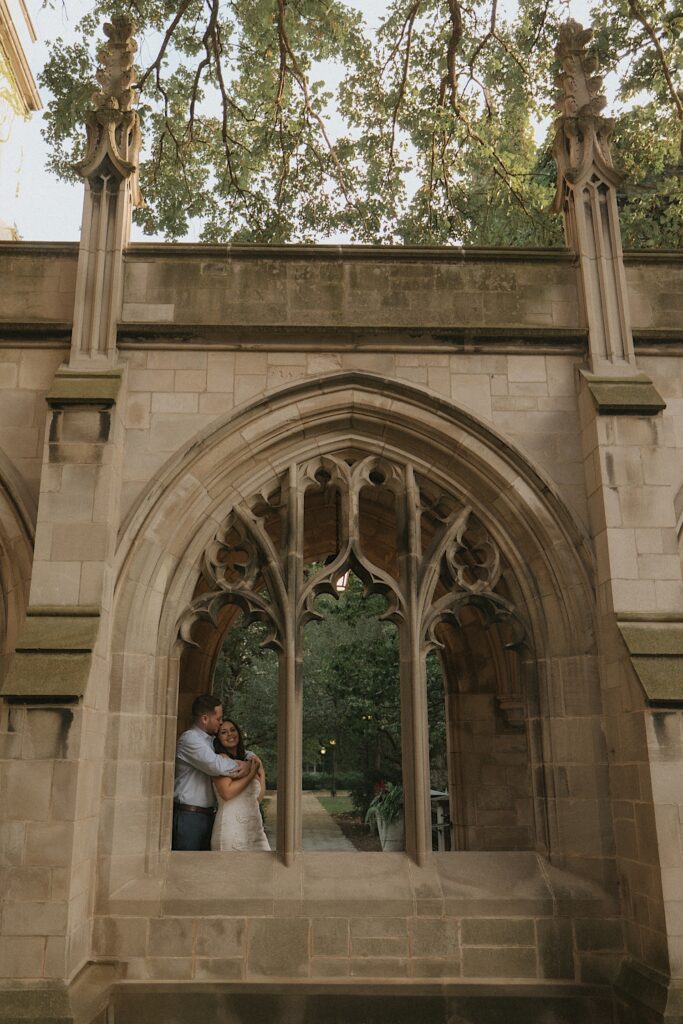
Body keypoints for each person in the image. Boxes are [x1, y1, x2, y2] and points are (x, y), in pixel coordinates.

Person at [172, 694, 255, 851]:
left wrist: (249, 758)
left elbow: (231, 749)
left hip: (207, 816)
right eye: (218, 718)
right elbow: (218, 766)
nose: (221, 722)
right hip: (189, 817)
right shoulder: (190, 739)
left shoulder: (209, 741)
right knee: (188, 868)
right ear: (205, 719)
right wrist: (248, 767)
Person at [210, 718, 270, 852]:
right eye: (224, 732)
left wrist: (259, 771)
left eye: (233, 730)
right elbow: (227, 793)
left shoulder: (252, 758)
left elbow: (259, 797)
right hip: (231, 828)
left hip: (255, 827)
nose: (230, 734)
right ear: (218, 738)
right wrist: (251, 774)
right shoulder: (219, 760)